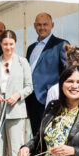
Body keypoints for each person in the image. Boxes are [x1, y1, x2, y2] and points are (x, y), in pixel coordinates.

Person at [25, 12, 69, 143]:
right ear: (34, 26)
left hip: (50, 100)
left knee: (49, 139)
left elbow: (67, 72)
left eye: (45, 24)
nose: (42, 27)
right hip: (31, 99)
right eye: (39, 24)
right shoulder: (31, 48)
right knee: (36, 138)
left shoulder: (61, 44)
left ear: (52, 25)